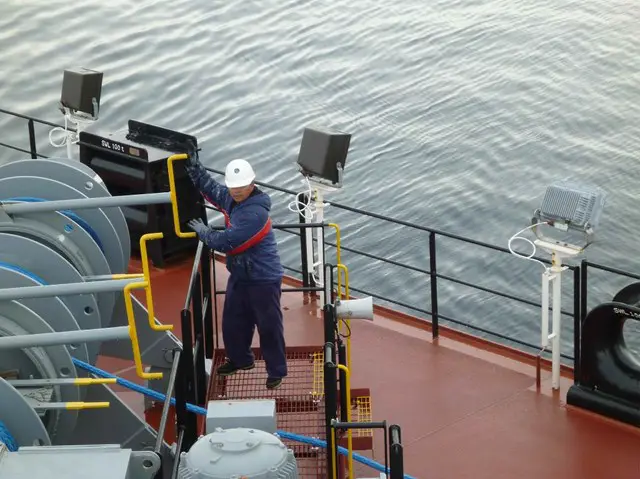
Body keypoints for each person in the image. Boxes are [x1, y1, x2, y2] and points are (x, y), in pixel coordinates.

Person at [183, 143, 287, 390]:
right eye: (233, 188)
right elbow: (211, 189)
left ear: (252, 186)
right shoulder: (233, 199)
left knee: (269, 325)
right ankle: (241, 360)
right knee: (232, 322)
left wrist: (204, 232)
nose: (236, 192)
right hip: (241, 275)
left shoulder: (254, 214)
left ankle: (277, 371)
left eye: (240, 189)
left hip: (263, 278)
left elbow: (227, 242)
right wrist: (194, 167)